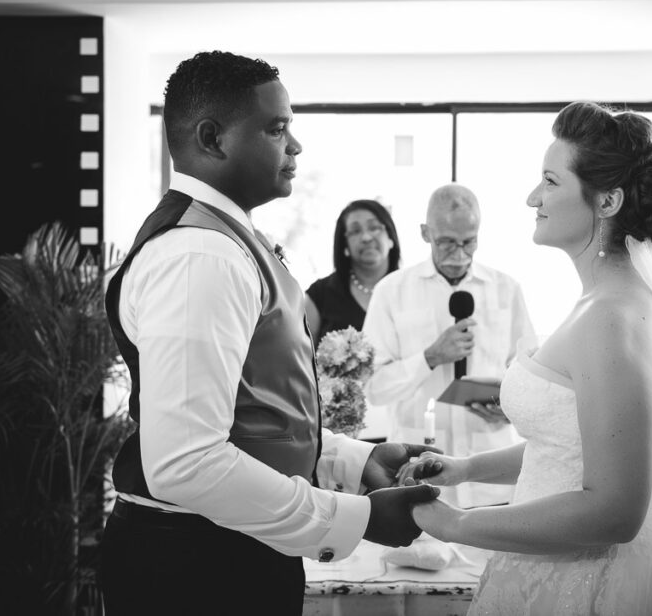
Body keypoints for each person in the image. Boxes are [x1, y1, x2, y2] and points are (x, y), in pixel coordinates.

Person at [100, 51, 440, 616]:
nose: (296, 145)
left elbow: (251, 416)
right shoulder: (199, 255)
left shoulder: (226, 238)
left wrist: (354, 462)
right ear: (213, 139)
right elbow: (187, 463)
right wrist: (357, 517)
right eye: (277, 127)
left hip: (226, 547)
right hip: (196, 567)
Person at [403, 103, 652, 615]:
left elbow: (613, 513)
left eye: (549, 181)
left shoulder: (612, 318)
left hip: (590, 585)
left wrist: (455, 524)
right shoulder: (600, 303)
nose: (532, 197)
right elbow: (575, 446)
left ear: (607, 200)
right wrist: (467, 469)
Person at [362, 184, 534, 507]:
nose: (459, 254)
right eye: (446, 242)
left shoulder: (507, 290)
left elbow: (530, 379)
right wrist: (430, 357)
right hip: (417, 477)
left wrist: (510, 409)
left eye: (469, 242)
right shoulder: (391, 292)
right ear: (426, 233)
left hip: (493, 482)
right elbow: (374, 389)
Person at [305, 199, 401, 348]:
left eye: (374, 227)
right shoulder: (319, 295)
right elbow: (301, 359)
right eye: (355, 231)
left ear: (390, 237)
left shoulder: (411, 289)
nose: (366, 238)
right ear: (345, 245)